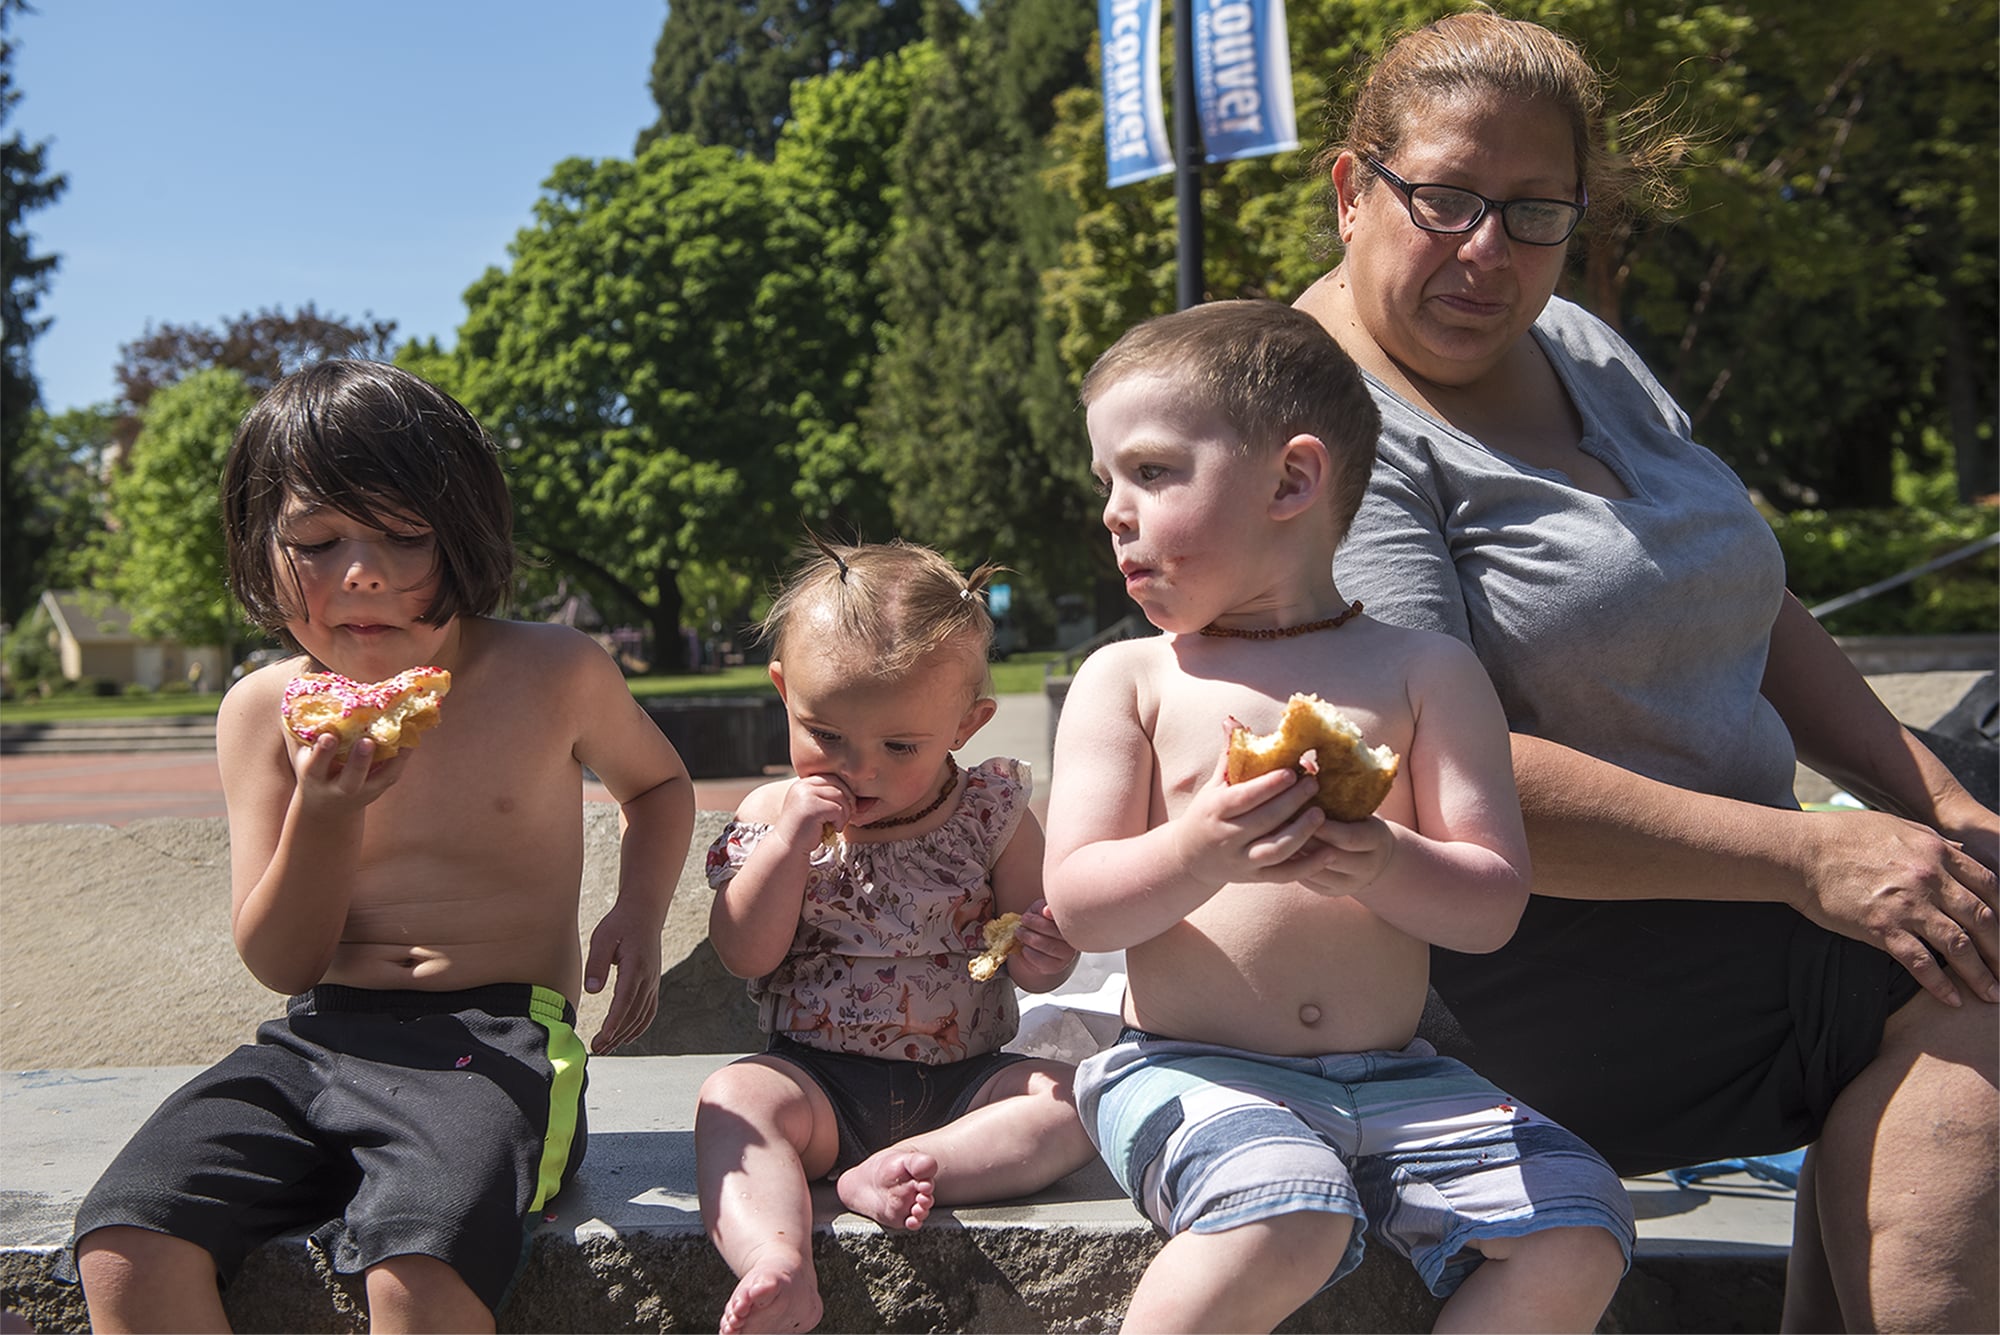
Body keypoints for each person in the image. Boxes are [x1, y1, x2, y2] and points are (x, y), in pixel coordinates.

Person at [1292, 10, 1998, 1331]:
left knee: (1973, 884)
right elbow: (1435, 774)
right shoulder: (1323, 427)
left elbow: (1755, 600)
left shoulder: (1580, 347)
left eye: (1535, 212)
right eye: (1444, 199)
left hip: (1733, 904)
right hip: (1499, 966)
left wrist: (1939, 799)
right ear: (1353, 188)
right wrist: (1812, 858)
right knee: (1966, 959)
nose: (1487, 251)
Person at [1043, 299, 1634, 1334]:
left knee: (1578, 1228)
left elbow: (1489, 904)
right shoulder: (1129, 680)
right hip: (1188, 1066)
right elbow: (1082, 907)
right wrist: (1197, 848)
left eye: (1148, 472)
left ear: (1291, 479)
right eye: (1106, 484)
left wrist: (1377, 858)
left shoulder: (1422, 673)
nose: (1111, 513)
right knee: (1285, 1217)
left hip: (1401, 1077)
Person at [67, 360, 697, 1331]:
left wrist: (638, 910)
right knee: (125, 1244)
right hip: (317, 1035)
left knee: (414, 1265)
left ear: (465, 540)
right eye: (316, 540)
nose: (359, 572)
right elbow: (282, 962)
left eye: (403, 538)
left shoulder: (553, 671)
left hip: (498, 1041)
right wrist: (325, 817)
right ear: (257, 550)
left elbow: (655, 786)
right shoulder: (261, 713)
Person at [696, 537, 1098, 1335]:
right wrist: (786, 848)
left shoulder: (992, 815)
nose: (859, 769)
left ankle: (913, 1170)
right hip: (817, 1083)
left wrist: (1046, 952)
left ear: (965, 722)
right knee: (732, 1101)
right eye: (827, 735)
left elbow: (1038, 940)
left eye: (899, 747)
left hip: (966, 1083)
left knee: (1072, 1103)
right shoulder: (771, 819)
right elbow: (745, 951)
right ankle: (777, 1258)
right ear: (783, 692)